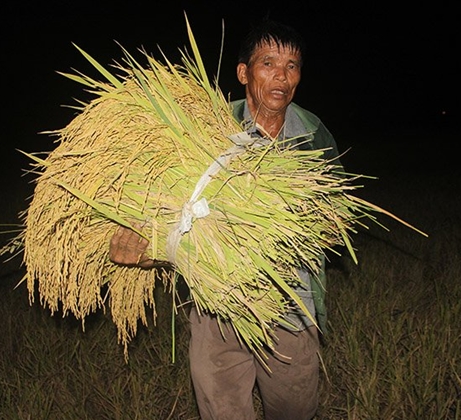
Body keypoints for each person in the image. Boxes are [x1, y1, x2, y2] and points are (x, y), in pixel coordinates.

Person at [109, 18, 345, 420]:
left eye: (292, 66)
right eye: (268, 63)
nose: (281, 77)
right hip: (217, 308)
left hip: (292, 305)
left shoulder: (313, 135)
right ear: (243, 72)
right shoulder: (203, 132)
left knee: (295, 410)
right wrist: (144, 242)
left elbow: (337, 216)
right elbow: (167, 206)